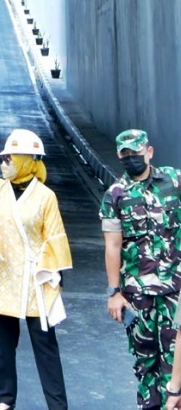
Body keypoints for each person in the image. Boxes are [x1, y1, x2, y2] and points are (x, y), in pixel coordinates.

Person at [0, 129, 72, 410]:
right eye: (2, 157)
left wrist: (56, 276)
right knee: (3, 344)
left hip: (35, 277)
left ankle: (58, 405)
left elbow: (55, 236)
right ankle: (6, 399)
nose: (3, 162)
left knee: (45, 346)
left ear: (26, 159)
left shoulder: (46, 196)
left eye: (9, 157)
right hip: (3, 275)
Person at [101, 129, 181, 410]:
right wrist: (115, 292)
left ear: (149, 151)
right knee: (145, 362)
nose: (132, 159)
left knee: (174, 365)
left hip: (174, 290)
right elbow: (112, 246)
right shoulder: (116, 195)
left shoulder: (174, 181)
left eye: (136, 153)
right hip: (138, 294)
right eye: (126, 156)